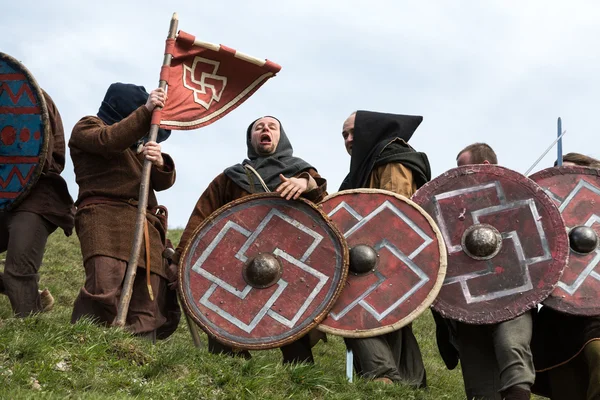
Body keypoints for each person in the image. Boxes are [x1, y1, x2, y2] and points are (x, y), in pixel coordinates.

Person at [173, 116, 327, 363]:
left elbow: (322, 202)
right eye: (258, 127)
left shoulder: (301, 171)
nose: (265, 129)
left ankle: (300, 372)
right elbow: (201, 217)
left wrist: (304, 183)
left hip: (288, 260)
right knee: (224, 310)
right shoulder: (232, 177)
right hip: (239, 262)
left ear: (281, 136)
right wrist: (181, 259)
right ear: (251, 138)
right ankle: (230, 367)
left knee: (289, 314)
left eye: (272, 126)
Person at [69, 83, 180, 341]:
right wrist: (146, 111)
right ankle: (86, 348)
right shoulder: (88, 127)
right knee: (104, 286)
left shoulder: (135, 147)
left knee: (148, 298)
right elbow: (109, 140)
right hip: (105, 218)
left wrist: (159, 163)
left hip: (145, 225)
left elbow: (159, 183)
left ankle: (137, 361)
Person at [434, 142, 534, 400]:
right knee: (479, 381)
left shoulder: (515, 199)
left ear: (486, 166)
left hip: (513, 291)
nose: (457, 174)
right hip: (468, 299)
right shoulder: (454, 210)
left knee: (511, 348)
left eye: (462, 167)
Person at [339, 110, 431, 387]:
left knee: (354, 310)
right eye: (344, 135)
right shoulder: (366, 166)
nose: (348, 139)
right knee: (393, 320)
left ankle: (384, 377)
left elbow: (393, 213)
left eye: (354, 131)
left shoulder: (392, 159)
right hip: (376, 256)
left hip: (388, 255)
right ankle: (411, 384)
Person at [531, 152, 600, 400]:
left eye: (568, 172)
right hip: (558, 317)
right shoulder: (544, 218)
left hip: (597, 309)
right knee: (566, 387)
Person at [0, 90, 75, 316]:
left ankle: (28, 333)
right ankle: (34, 301)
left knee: (18, 270)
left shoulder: (30, 96)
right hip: (4, 197)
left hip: (35, 196)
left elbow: (48, 154)